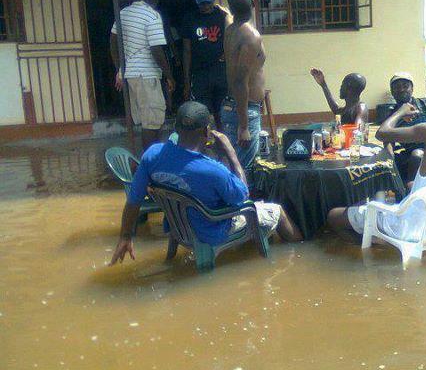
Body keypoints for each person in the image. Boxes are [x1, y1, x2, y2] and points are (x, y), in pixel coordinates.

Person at [110, 101, 302, 265]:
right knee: (278, 212)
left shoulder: (152, 155)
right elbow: (242, 196)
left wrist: (125, 236)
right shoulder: (212, 169)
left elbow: (133, 200)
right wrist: (230, 154)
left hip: (179, 228)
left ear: (176, 129)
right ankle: (301, 254)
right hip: (213, 230)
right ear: (206, 131)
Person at [327, 94, 426, 241]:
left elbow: (382, 133)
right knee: (390, 198)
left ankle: (378, 247)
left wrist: (401, 112)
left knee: (333, 216)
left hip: (407, 226)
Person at [110, 0, 176, 150]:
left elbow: (112, 41)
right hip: (147, 75)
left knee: (145, 120)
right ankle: (150, 163)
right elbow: (156, 49)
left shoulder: (122, 13)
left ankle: (149, 159)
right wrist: (169, 75)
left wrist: (119, 68)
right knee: (152, 122)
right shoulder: (152, 15)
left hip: (131, 75)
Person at [221, 0, 266, 173]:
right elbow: (240, 81)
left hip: (232, 107)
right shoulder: (251, 37)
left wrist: (227, 14)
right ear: (253, 3)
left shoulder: (231, 30)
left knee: (233, 166)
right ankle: (244, 203)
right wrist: (244, 126)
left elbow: (234, 20)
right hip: (245, 109)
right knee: (244, 171)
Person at [181, 0, 232, 129]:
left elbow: (235, 35)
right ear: (197, 2)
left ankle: (224, 143)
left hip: (221, 72)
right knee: (202, 113)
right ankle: (205, 144)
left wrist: (227, 53)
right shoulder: (190, 19)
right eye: (202, 3)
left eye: (208, 3)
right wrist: (186, 80)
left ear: (213, 0)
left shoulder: (223, 17)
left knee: (223, 112)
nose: (205, 6)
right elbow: (186, 50)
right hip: (200, 74)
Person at [384, 72, 426, 184]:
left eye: (405, 86)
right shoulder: (393, 115)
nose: (401, 89)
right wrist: (390, 157)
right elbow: (388, 139)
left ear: (412, 89)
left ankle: (411, 189)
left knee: (417, 155)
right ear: (392, 92)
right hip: (409, 152)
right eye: (397, 87)